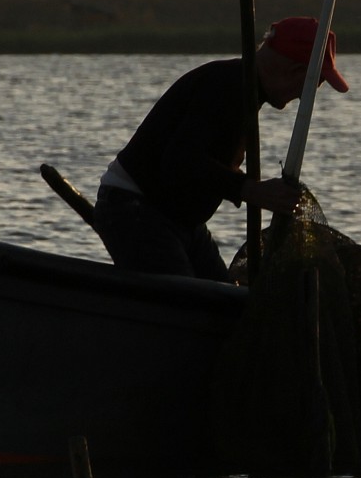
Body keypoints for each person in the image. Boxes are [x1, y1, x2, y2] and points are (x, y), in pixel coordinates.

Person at [90, 16, 347, 281]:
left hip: (181, 221)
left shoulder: (246, 90)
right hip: (136, 209)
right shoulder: (225, 86)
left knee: (225, 298)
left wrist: (248, 188)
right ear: (295, 72)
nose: (306, 98)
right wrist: (249, 189)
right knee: (190, 306)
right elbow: (180, 161)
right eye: (312, 86)